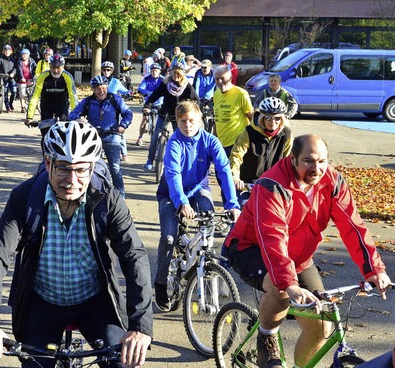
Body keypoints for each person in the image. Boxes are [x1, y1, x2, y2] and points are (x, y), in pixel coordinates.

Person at [0, 121, 153, 368]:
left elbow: (134, 256)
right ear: (48, 163)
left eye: (81, 170)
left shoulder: (107, 199)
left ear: (92, 168)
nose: (72, 180)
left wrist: (140, 327)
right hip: (42, 303)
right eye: (63, 168)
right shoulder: (24, 197)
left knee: (123, 364)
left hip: (96, 301)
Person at [224, 134, 391, 368]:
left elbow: (353, 228)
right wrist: (289, 284)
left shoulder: (333, 182)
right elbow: (273, 238)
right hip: (250, 248)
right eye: (309, 161)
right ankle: (266, 337)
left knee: (322, 327)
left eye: (322, 161)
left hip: (299, 259)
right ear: (292, 159)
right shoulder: (271, 186)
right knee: (279, 287)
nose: (317, 168)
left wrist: (374, 270)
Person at [153, 101, 240, 311]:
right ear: (177, 121)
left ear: (200, 119)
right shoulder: (174, 143)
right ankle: (161, 282)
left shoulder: (211, 141)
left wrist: (232, 204)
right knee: (169, 238)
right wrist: (181, 202)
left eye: (192, 120)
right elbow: (173, 175)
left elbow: (224, 171)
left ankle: (206, 259)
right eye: (183, 121)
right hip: (171, 194)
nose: (188, 125)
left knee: (208, 213)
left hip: (197, 191)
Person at [68, 76, 133, 196]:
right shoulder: (87, 101)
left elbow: (128, 113)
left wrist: (123, 125)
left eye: (103, 88)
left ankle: (121, 196)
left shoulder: (115, 99)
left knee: (115, 169)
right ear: (93, 89)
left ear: (107, 87)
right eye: (98, 88)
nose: (101, 91)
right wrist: (78, 119)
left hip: (112, 136)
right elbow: (72, 114)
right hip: (93, 138)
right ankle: (90, 194)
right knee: (89, 167)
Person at [229, 97, 293, 205]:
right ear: (262, 118)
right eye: (268, 118)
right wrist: (235, 176)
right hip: (248, 185)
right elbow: (236, 156)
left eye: (277, 118)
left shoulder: (286, 134)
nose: (273, 122)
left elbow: (289, 161)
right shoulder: (249, 132)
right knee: (245, 208)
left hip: (273, 186)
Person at [142, 62, 199, 171]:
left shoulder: (187, 86)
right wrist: (147, 105)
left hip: (179, 116)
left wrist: (191, 110)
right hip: (165, 113)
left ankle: (184, 162)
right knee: (155, 137)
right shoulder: (166, 83)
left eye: (178, 74)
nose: (176, 76)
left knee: (182, 138)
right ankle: (150, 160)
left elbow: (196, 100)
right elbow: (155, 95)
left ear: (182, 74)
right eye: (174, 73)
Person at [212, 65, 254, 157]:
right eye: (217, 79)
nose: (220, 82)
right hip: (220, 143)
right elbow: (217, 118)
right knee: (219, 171)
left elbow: (252, 118)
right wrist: (214, 138)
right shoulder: (216, 94)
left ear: (230, 78)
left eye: (222, 78)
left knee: (233, 171)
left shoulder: (241, 94)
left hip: (237, 143)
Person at [25, 54, 78, 126]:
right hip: (46, 106)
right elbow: (35, 96)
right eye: (53, 68)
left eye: (58, 68)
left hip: (62, 105)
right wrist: (29, 116)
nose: (55, 71)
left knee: (63, 131)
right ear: (49, 66)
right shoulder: (43, 76)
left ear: (63, 66)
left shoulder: (67, 76)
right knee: (45, 131)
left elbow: (73, 95)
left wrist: (76, 116)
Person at [136, 63, 164, 146]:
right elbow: (140, 88)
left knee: (163, 120)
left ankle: (162, 137)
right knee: (145, 119)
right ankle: (140, 137)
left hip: (160, 103)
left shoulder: (163, 79)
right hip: (149, 103)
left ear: (159, 71)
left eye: (156, 70)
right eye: (152, 70)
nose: (154, 72)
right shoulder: (147, 79)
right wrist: (147, 92)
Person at [0, 44, 18, 112]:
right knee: (5, 93)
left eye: (8, 51)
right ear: (3, 52)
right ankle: (7, 106)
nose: (7, 52)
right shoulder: (1, 59)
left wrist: (13, 73)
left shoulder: (13, 60)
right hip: (4, 79)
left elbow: (16, 68)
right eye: (5, 51)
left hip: (11, 78)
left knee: (14, 92)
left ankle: (11, 103)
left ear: (11, 52)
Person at [15, 48, 37, 114]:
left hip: (30, 79)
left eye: (25, 54)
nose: (23, 56)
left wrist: (36, 76)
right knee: (22, 94)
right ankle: (23, 107)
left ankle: (31, 107)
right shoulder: (19, 61)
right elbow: (19, 70)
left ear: (28, 55)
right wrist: (22, 77)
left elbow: (36, 68)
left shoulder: (32, 61)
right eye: (22, 54)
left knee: (31, 94)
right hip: (22, 80)